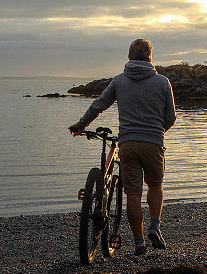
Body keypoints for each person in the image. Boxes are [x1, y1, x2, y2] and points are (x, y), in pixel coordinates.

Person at [69, 38, 176, 255]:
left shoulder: (119, 81)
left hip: (127, 143)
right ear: (150, 57)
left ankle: (139, 243)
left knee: (133, 194)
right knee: (155, 185)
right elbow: (171, 117)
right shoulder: (163, 82)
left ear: (129, 57)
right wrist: (157, 132)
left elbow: (98, 106)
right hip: (153, 142)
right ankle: (155, 227)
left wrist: (81, 125)